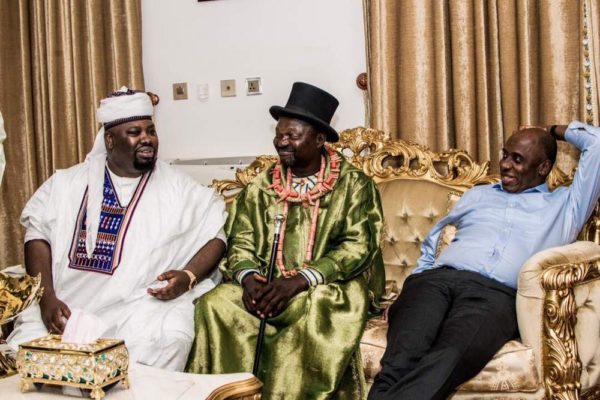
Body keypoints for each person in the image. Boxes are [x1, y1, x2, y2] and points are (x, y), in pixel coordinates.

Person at [369, 122, 600, 400]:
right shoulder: (479, 194)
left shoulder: (566, 207)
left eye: (518, 159)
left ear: (543, 168)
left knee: (449, 357)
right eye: (505, 155)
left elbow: (597, 144)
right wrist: (415, 283)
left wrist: (554, 130)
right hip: (436, 282)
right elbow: (432, 240)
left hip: (495, 296)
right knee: (401, 355)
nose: (506, 165)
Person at [186, 82, 385, 399]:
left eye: (292, 135)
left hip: (331, 285)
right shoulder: (264, 184)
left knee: (314, 307)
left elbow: (357, 247)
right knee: (216, 303)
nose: (282, 142)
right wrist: (250, 279)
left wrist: (299, 282)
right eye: (279, 134)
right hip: (267, 282)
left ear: (320, 139)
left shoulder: (353, 184)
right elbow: (240, 240)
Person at [7, 87, 227, 371]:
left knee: (171, 337)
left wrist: (188, 276)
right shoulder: (67, 184)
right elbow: (37, 235)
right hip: (65, 308)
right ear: (110, 140)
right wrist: (47, 297)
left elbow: (216, 236)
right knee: (25, 349)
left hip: (138, 308)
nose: (146, 138)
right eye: (135, 132)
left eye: (151, 131)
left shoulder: (178, 189)